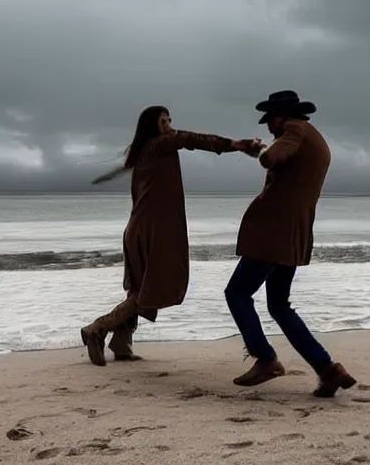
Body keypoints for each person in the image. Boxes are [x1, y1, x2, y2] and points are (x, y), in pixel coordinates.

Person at [81, 105, 262, 366]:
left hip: (139, 227)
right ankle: (97, 328)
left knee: (141, 287)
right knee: (148, 289)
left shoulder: (144, 152)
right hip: (152, 228)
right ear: (152, 127)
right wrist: (238, 144)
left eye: (170, 120)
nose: (169, 125)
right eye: (163, 122)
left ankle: (121, 341)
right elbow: (192, 139)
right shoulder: (157, 146)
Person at [224, 90, 357, 397]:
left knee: (237, 293)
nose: (268, 127)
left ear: (282, 116)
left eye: (270, 120)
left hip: (274, 232)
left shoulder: (295, 130)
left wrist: (261, 150)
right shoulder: (316, 138)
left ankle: (265, 358)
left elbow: (272, 157)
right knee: (279, 305)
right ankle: (328, 369)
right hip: (295, 232)